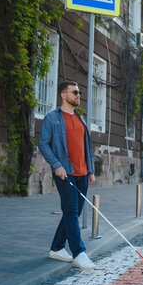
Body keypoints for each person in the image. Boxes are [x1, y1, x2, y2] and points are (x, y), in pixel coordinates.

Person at [38, 81, 96, 271]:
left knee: (74, 212)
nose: (79, 95)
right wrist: (57, 165)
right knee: (71, 211)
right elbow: (44, 144)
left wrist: (91, 170)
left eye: (79, 92)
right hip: (65, 173)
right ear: (64, 95)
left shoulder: (81, 119)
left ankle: (56, 248)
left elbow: (87, 146)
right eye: (75, 92)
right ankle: (79, 253)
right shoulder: (52, 118)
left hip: (82, 172)